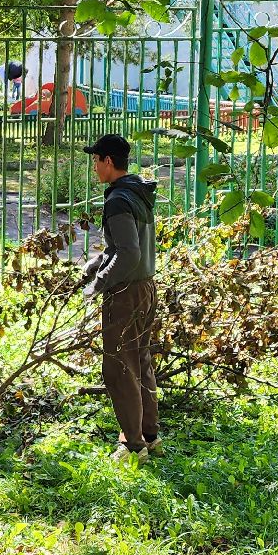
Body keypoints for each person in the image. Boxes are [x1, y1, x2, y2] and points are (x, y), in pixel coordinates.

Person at [79, 133, 160, 460]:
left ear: (108, 161)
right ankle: (151, 436)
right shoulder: (137, 191)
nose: (94, 167)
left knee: (118, 368)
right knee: (139, 361)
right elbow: (125, 248)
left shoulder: (117, 200)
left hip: (126, 294)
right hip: (145, 288)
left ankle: (133, 444)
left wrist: (97, 284)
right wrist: (97, 262)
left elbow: (128, 252)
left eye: (96, 161)